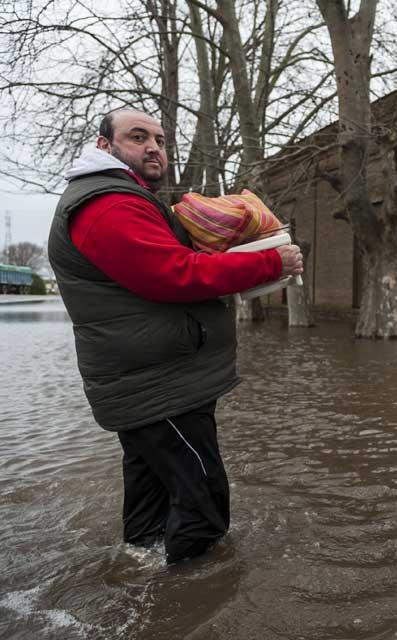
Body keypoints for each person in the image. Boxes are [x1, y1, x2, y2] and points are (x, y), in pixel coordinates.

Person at [48, 108, 303, 564]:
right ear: (104, 146)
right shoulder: (107, 203)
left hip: (151, 379)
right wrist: (272, 263)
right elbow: (171, 274)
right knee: (204, 502)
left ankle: (137, 581)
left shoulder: (125, 198)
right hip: (159, 387)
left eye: (161, 140)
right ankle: (191, 605)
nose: (153, 148)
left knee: (152, 501)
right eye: (138, 137)